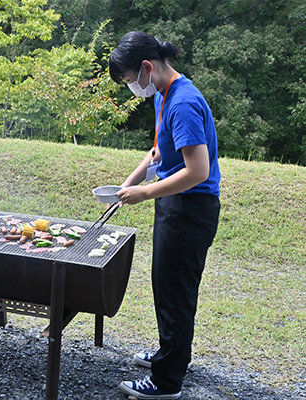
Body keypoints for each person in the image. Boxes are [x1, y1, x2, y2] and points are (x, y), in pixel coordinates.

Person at [108, 31, 221, 399]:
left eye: (129, 81)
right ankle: (169, 355)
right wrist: (128, 182)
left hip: (191, 208)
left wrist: (145, 192)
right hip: (175, 202)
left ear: (146, 67)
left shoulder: (184, 102)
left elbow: (198, 170)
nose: (132, 88)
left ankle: (166, 380)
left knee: (175, 292)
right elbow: (159, 149)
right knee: (166, 285)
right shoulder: (164, 93)